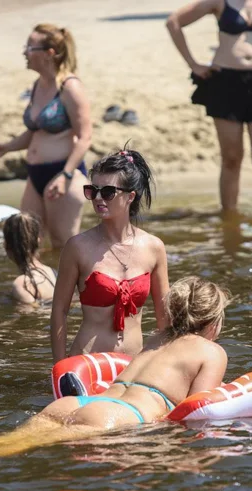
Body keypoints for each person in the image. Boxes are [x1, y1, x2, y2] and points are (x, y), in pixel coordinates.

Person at [0, 277, 230, 462]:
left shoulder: (156, 338)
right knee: (11, 451)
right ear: (214, 321)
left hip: (79, 403)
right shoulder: (212, 351)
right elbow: (198, 410)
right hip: (119, 416)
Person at [166, 0, 252, 215]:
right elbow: (174, 22)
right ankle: (229, 218)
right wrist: (193, 64)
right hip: (225, 82)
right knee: (232, 157)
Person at [49, 148, 170, 364]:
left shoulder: (154, 247)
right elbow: (59, 310)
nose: (97, 198)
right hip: (87, 363)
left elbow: (165, 318)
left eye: (107, 192)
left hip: (133, 365)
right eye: (92, 190)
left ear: (130, 197)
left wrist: (163, 364)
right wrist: (60, 367)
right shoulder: (77, 247)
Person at [0, 24, 92, 249]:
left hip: (63, 174)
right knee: (28, 242)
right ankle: (37, 285)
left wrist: (66, 175)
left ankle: (72, 285)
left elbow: (85, 137)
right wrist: (6, 147)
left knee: (64, 245)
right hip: (35, 176)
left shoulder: (70, 87)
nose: (24, 52)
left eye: (30, 47)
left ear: (48, 54)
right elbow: (35, 133)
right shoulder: (38, 85)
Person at [3, 212, 57, 303]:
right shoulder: (52, 272)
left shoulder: (21, 284)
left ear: (6, 246)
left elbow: (33, 312)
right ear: (38, 240)